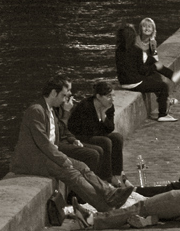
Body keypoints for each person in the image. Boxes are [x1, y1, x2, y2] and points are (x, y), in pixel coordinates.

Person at [9, 74, 135, 213]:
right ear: (53, 93)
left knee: (82, 166)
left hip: (46, 155)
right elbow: (43, 143)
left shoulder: (49, 109)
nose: (65, 99)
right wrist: (63, 159)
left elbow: (57, 135)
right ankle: (105, 208)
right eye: (63, 95)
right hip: (33, 159)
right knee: (72, 173)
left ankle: (109, 193)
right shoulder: (36, 111)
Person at [67, 82, 128, 186]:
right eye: (109, 96)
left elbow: (110, 128)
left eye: (113, 95)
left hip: (95, 133)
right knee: (105, 141)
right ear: (98, 96)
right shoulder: (86, 106)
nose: (112, 99)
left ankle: (117, 174)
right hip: (80, 136)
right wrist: (99, 119)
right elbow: (87, 130)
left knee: (117, 138)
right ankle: (106, 178)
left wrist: (103, 116)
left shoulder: (108, 107)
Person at [115, 24, 179, 122]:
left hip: (123, 83)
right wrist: (154, 67)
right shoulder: (136, 50)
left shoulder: (118, 50)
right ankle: (163, 114)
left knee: (152, 78)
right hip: (134, 83)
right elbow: (142, 70)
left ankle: (167, 98)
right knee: (162, 86)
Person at [52, 81, 109, 182]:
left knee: (100, 149)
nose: (70, 94)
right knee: (93, 154)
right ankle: (91, 189)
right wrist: (66, 112)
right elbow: (60, 130)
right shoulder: (57, 107)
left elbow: (66, 130)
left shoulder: (63, 105)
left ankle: (103, 182)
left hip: (67, 140)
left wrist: (73, 140)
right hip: (58, 144)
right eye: (68, 90)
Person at [135, 18, 180, 83]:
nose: (147, 29)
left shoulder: (153, 42)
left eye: (149, 27)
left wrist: (152, 46)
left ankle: (172, 76)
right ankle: (172, 75)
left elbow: (155, 58)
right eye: (144, 26)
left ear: (153, 30)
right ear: (140, 29)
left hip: (146, 66)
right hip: (137, 66)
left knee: (158, 78)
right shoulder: (135, 40)